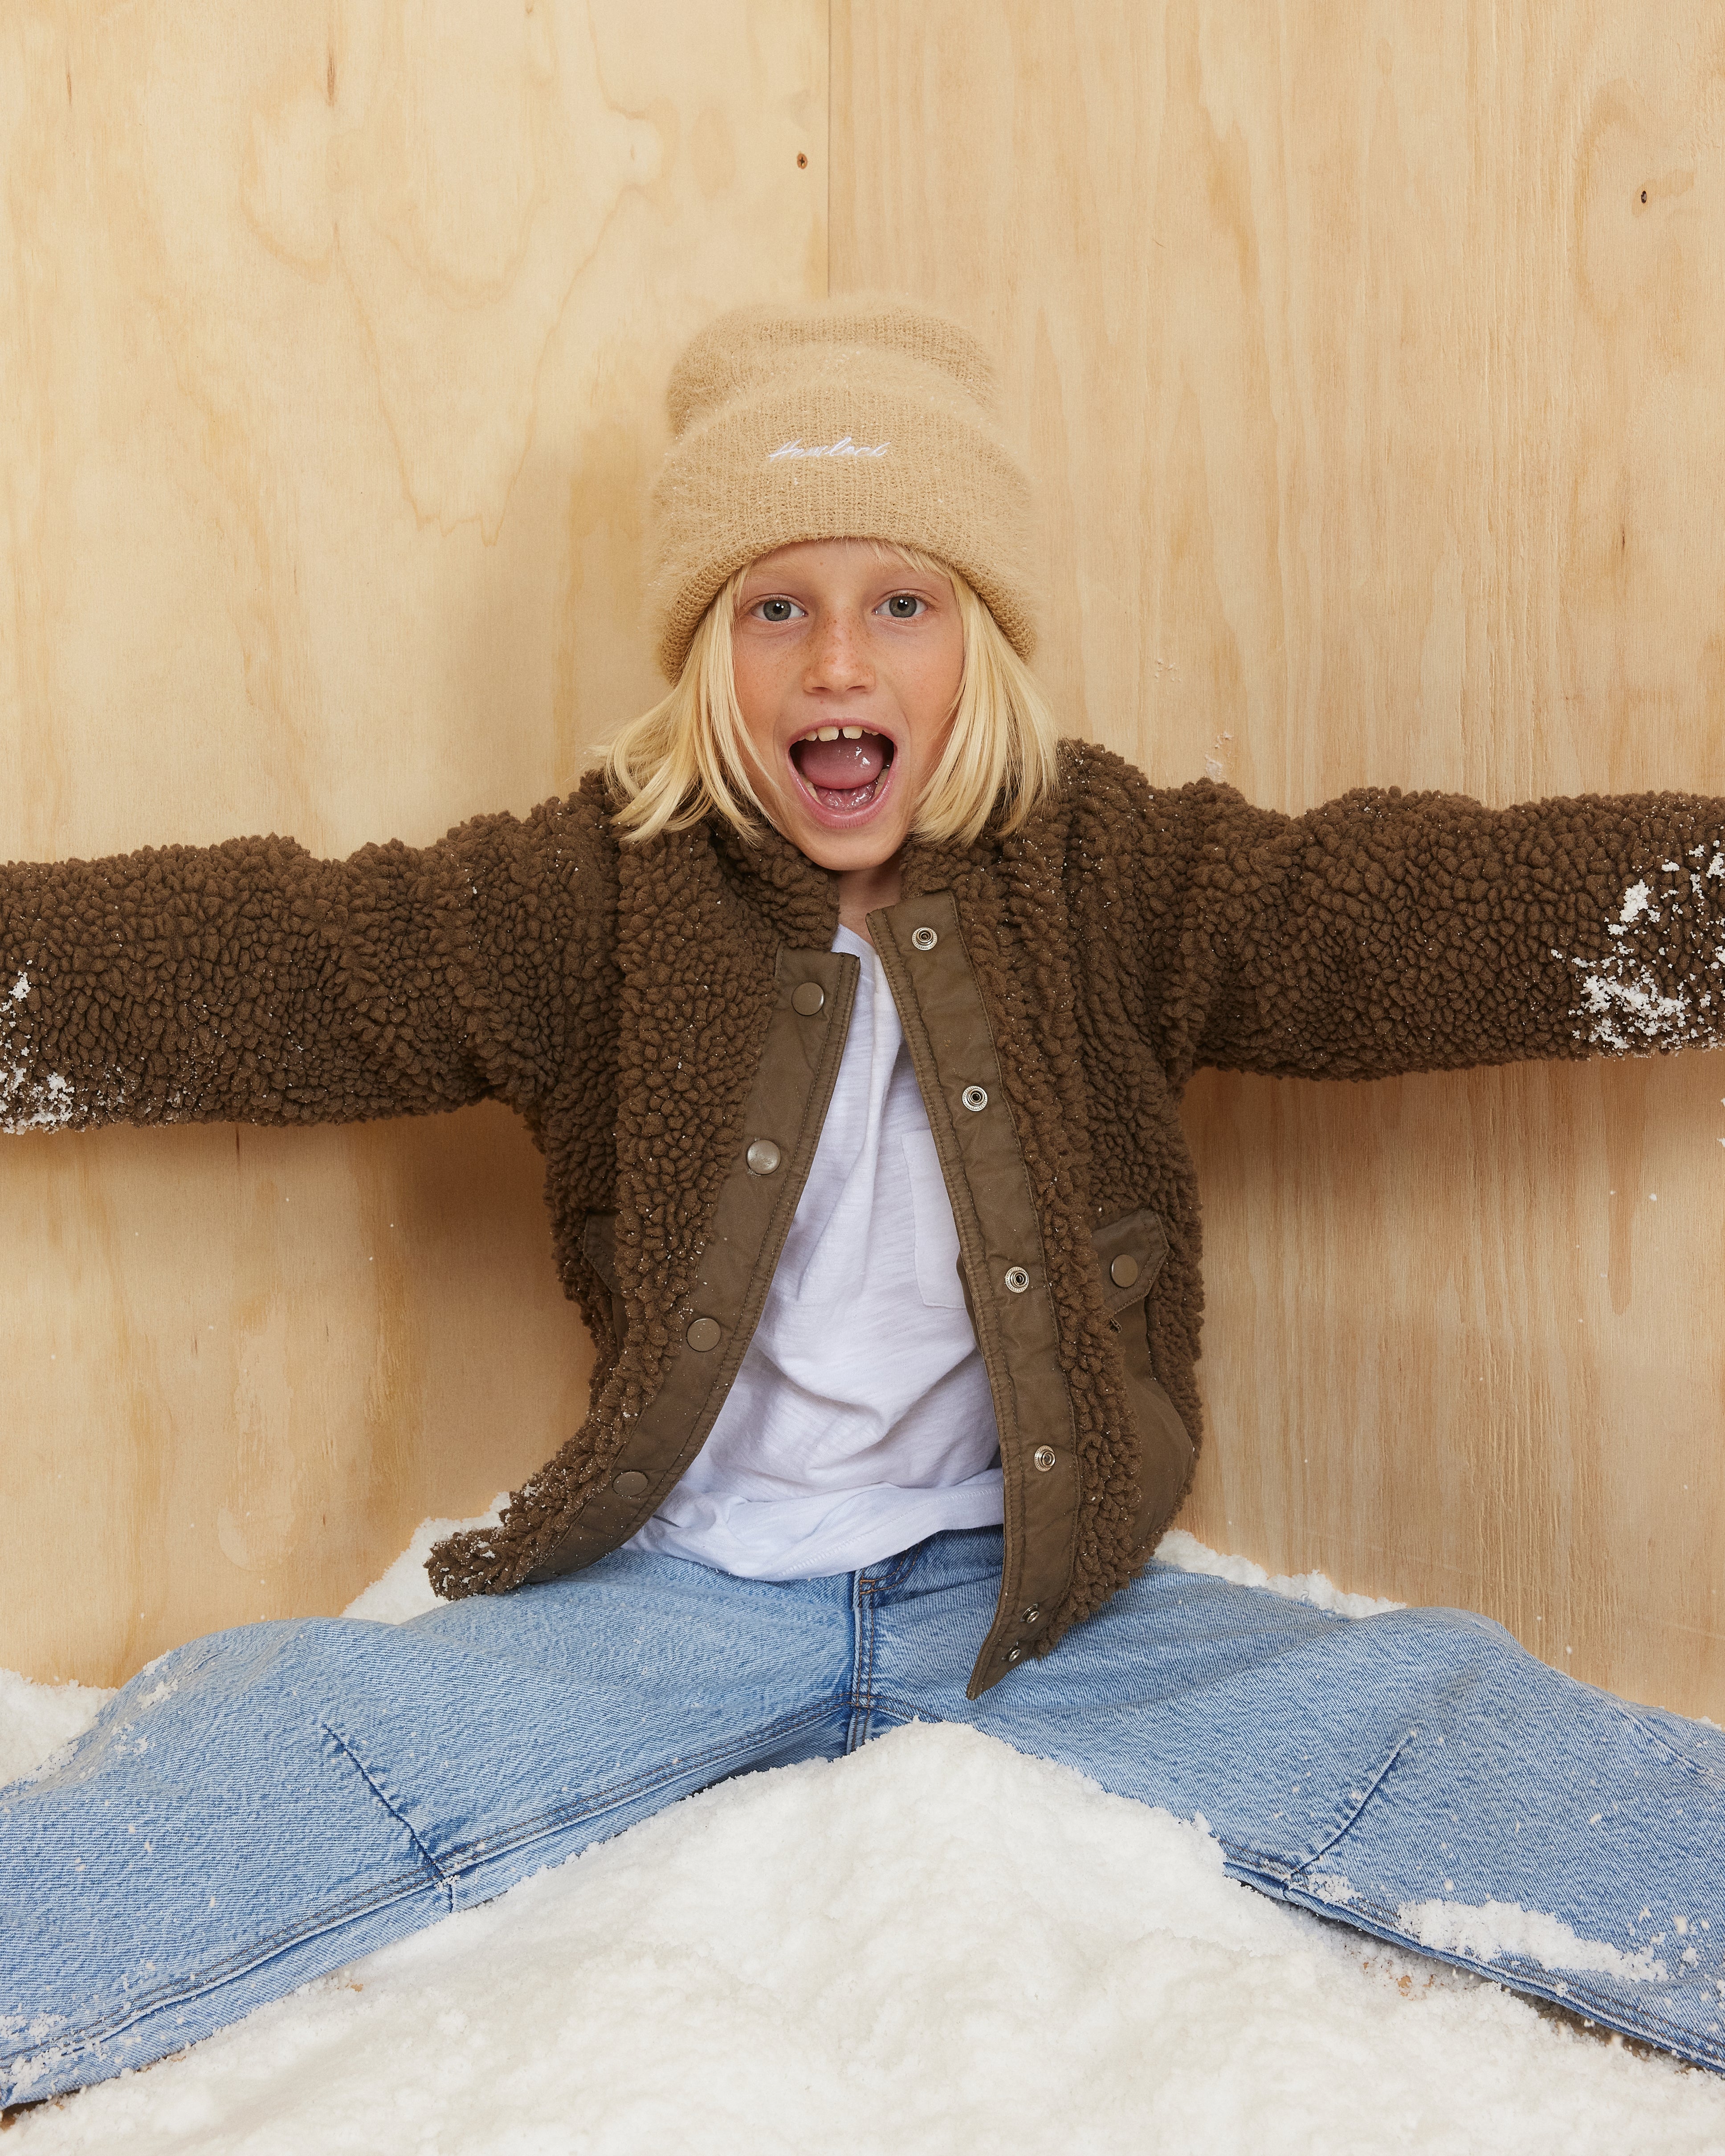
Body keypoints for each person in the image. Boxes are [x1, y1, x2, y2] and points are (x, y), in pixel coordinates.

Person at [3, 295, 1723, 2108]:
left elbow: (1412, 914)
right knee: (299, 1737)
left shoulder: (1111, 867)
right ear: (703, 651)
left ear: (980, 643)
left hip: (1044, 1602)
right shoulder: (599, 893)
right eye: (776, 608)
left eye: (899, 602)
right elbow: (279, 959)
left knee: (1433, 1718)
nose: (838, 664)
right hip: (681, 1601)